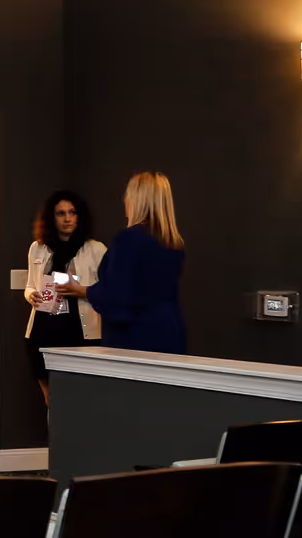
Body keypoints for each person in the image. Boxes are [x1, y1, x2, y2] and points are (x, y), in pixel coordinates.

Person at [66, 171, 186, 354]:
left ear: (136, 200)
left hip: (135, 340)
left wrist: (81, 290)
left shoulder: (129, 240)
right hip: (170, 335)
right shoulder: (173, 243)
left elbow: (117, 298)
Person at [24, 190, 105, 405]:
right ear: (52, 218)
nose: (67, 218)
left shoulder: (95, 249)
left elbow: (107, 291)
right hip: (43, 331)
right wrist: (31, 295)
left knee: (80, 399)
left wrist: (79, 289)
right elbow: (30, 285)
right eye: (61, 213)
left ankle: (76, 438)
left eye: (72, 212)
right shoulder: (38, 248)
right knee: (51, 400)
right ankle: (56, 439)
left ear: (80, 216)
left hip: (79, 333)